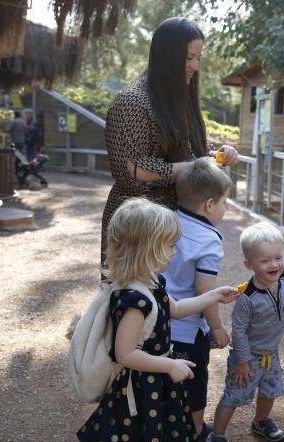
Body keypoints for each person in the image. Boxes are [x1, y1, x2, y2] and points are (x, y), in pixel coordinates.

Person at [77, 198, 240, 442]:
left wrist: (213, 296)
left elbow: (176, 309)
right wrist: (169, 365)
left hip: (157, 379)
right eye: (171, 246)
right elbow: (125, 353)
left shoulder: (153, 282)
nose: (175, 252)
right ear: (147, 249)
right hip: (142, 387)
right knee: (142, 437)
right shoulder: (135, 301)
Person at [100, 17, 240, 277]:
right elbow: (132, 169)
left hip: (176, 224)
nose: (195, 66)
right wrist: (196, 166)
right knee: (133, 306)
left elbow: (189, 156)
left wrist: (216, 156)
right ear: (167, 56)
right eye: (189, 58)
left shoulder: (180, 101)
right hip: (137, 227)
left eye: (198, 58)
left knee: (172, 309)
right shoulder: (131, 102)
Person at [162, 159, 232, 442]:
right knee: (194, 382)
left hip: (158, 323)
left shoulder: (166, 222)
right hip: (188, 330)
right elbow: (205, 289)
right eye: (225, 202)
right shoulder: (208, 239)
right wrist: (216, 327)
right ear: (210, 204)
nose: (225, 208)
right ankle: (195, 430)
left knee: (164, 379)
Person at [204, 222, 284, 442]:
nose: (274, 265)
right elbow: (239, 330)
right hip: (248, 356)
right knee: (233, 394)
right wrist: (242, 361)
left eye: (278, 257)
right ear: (248, 264)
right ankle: (217, 436)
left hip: (271, 353)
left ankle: (260, 421)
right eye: (265, 261)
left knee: (269, 390)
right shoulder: (246, 297)